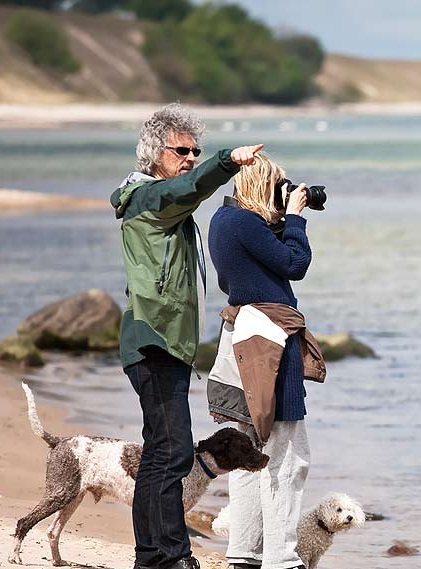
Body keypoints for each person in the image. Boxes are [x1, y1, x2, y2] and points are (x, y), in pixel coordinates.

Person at [113, 103, 263, 569]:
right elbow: (188, 187)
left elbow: (187, 188)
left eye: (197, 151)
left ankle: (151, 558)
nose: (191, 158)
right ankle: (171, 557)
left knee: (161, 451)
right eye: (183, 150)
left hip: (165, 344)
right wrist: (225, 161)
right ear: (156, 153)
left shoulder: (162, 200)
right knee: (175, 451)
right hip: (153, 340)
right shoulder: (149, 200)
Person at [205, 154, 323, 569]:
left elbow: (233, 278)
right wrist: (295, 218)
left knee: (248, 450)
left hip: (242, 339)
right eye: (278, 184)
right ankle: (282, 559)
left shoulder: (223, 221)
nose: (284, 191)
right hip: (272, 342)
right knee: (288, 455)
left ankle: (244, 552)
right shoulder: (246, 224)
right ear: (262, 186)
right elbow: (295, 264)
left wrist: (278, 218)